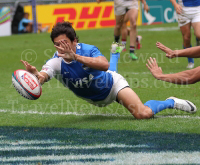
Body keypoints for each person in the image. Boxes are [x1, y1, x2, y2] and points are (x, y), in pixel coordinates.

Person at [21, 22, 196, 120]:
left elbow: (103, 65)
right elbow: (44, 75)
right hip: (96, 99)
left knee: (143, 113)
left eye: (65, 43)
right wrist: (36, 76)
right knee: (103, 75)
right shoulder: (55, 61)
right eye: (57, 44)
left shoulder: (88, 50)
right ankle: (116, 53)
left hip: (113, 86)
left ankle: (170, 101)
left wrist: (75, 57)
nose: (61, 47)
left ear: (74, 41)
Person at [170, 0, 200, 69]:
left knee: (199, 34)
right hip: (183, 9)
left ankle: (198, 39)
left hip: (198, 9)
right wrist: (175, 4)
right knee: (186, 38)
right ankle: (190, 61)